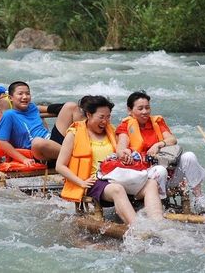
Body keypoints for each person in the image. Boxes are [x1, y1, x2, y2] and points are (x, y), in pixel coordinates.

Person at [56, 95, 163, 225]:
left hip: (117, 176)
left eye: (108, 117)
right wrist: (81, 182)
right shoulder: (73, 134)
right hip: (93, 181)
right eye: (101, 117)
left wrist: (125, 155)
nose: (105, 121)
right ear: (89, 115)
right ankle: (137, 228)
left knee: (151, 183)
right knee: (117, 189)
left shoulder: (112, 131)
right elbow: (60, 166)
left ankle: (159, 225)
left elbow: (121, 150)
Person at [115, 91, 205, 214]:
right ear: (130, 110)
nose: (145, 111)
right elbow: (121, 147)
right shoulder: (124, 127)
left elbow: (172, 139)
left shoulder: (157, 122)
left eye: (147, 107)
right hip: (143, 179)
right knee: (160, 170)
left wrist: (158, 144)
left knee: (189, 156)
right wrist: (124, 153)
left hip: (167, 174)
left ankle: (199, 200)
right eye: (140, 108)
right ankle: (159, 206)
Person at [0, 81, 84, 165]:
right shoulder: (9, 115)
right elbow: (2, 143)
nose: (25, 97)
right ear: (10, 98)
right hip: (39, 153)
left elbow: (48, 108)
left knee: (70, 106)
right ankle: (79, 156)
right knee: (37, 142)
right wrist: (23, 159)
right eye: (20, 94)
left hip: (51, 141)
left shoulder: (31, 107)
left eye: (27, 93)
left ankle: (86, 144)